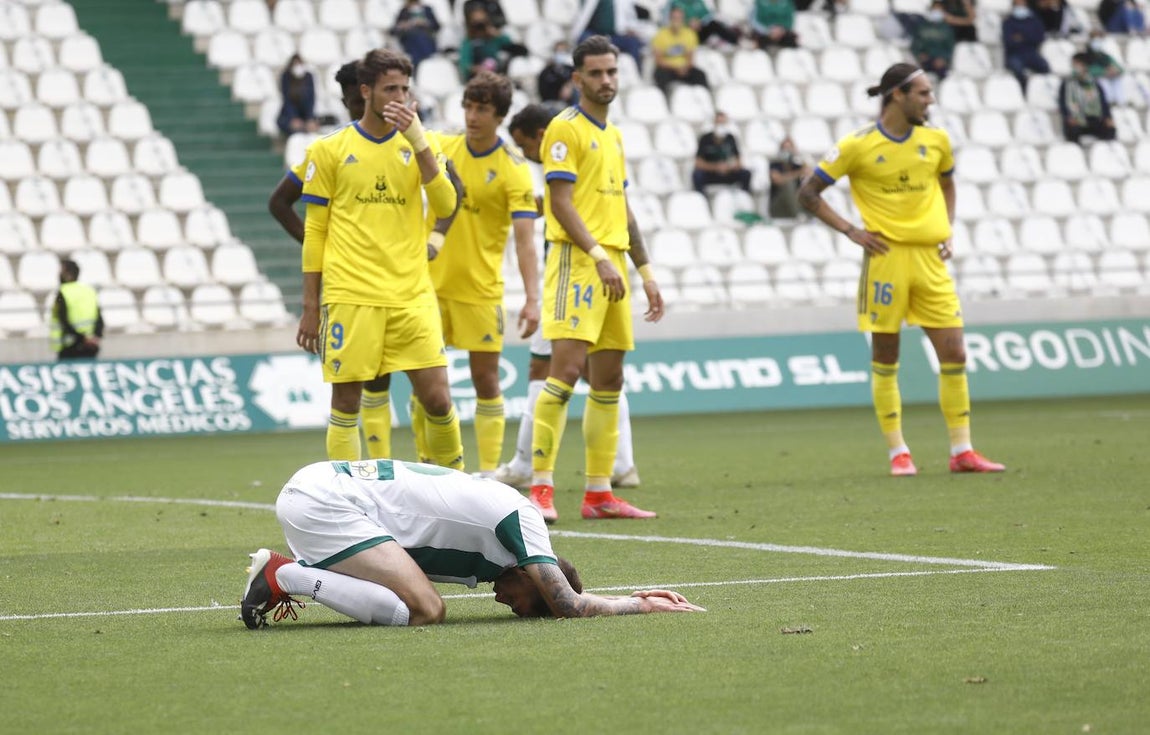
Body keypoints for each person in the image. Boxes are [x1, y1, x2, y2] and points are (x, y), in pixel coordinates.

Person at [797, 62, 1005, 477]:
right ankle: (899, 452)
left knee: (955, 352)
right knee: (886, 355)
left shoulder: (937, 139)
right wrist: (851, 231)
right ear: (898, 95)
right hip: (886, 260)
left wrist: (946, 226)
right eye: (923, 93)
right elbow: (809, 193)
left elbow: (947, 183)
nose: (931, 100)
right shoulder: (857, 145)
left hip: (931, 261)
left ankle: (962, 450)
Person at [239, 459, 705, 629]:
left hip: (324, 493)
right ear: (532, 575)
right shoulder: (525, 523)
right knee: (428, 610)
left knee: (406, 604)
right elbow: (569, 606)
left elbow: (563, 596)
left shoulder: (503, 559)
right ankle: (285, 573)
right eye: (519, 604)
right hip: (327, 500)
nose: (503, 602)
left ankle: (296, 571)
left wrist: (615, 597)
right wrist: (641, 604)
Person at [297, 48, 464, 468]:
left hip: (411, 295)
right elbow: (315, 232)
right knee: (346, 403)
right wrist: (310, 306)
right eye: (390, 89)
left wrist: (419, 142)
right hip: (352, 295)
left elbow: (446, 205)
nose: (400, 98)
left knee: (438, 399)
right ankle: (348, 497)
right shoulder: (330, 149)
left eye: (405, 89)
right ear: (366, 91)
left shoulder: (422, 143)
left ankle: (457, 489)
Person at [530, 36, 665, 522]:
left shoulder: (614, 136)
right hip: (578, 262)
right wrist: (598, 255)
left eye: (612, 72)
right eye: (596, 73)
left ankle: (599, 494)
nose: (606, 80)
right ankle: (540, 489)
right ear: (577, 78)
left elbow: (623, 209)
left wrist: (645, 272)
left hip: (614, 264)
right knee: (565, 372)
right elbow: (560, 203)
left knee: (610, 379)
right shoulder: (564, 130)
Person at [497, 103, 642, 492]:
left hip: (573, 275)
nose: (527, 154)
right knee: (601, 375)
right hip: (588, 270)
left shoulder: (566, 159)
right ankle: (622, 465)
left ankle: (529, 468)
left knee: (550, 371)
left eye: (525, 145)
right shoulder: (575, 165)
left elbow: (568, 207)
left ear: (540, 136)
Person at [269, 61, 400, 459]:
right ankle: (369, 472)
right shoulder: (332, 151)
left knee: (415, 386)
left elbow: (450, 189)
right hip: (351, 284)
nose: (358, 108)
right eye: (351, 102)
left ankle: (396, 466)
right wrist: (322, 249)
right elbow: (279, 202)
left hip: (400, 278)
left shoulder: (406, 142)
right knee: (360, 384)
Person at [426, 71, 540, 477]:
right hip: (428, 286)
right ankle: (427, 465)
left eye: (482, 110)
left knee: (486, 380)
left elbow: (525, 241)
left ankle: (489, 474)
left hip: (480, 290)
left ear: (500, 116)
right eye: (468, 107)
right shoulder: (443, 148)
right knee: (426, 382)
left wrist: (532, 298)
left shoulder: (513, 168)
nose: (472, 116)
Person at [570, 0, 648, 72]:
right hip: (593, 34)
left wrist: (631, 28)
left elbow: (630, 18)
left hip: (614, 36)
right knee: (585, 42)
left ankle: (636, 77)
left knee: (633, 42)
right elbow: (579, 16)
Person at [651, 6, 710, 98]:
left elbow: (690, 58)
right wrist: (675, 68)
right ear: (670, 19)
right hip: (667, 68)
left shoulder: (689, 34)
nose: (677, 21)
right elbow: (659, 60)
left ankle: (705, 99)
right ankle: (663, 101)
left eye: (679, 18)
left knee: (700, 75)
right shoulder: (660, 35)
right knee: (660, 75)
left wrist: (684, 67)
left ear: (683, 20)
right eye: (674, 18)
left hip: (684, 68)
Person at [50, 258, 103, 361]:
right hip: (90, 347)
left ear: (68, 274)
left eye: (61, 271)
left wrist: (82, 339)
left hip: (69, 347)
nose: (59, 274)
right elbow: (99, 319)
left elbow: (63, 320)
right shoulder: (89, 290)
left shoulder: (63, 292)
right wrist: (96, 336)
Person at [1059, 53, 1117, 144]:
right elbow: (1063, 103)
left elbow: (1103, 102)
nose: (1074, 67)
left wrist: (1108, 117)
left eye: (1077, 64)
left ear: (1085, 66)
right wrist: (1068, 117)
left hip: (1093, 119)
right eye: (1073, 64)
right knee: (1072, 129)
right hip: (1076, 119)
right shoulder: (1067, 84)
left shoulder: (1094, 84)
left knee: (1110, 128)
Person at [692, 111, 752, 195]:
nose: (721, 126)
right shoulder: (705, 139)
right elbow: (698, 163)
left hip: (728, 172)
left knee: (746, 173)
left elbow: (739, 162)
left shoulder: (731, 138)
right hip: (711, 173)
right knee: (697, 175)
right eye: (718, 123)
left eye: (723, 123)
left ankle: (744, 197)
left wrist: (728, 167)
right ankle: (702, 199)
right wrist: (716, 167)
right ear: (714, 123)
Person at [458, 6, 523, 81]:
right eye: (477, 24)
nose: (480, 28)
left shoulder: (495, 39)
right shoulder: (468, 43)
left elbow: (513, 47)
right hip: (479, 79)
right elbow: (465, 65)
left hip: (497, 75)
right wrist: (479, 69)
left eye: (482, 23)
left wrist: (497, 34)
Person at [1002, 0, 1050, 93]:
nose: (1020, 7)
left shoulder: (1034, 20)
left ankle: (1041, 91)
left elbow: (1039, 38)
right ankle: (1024, 92)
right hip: (1014, 54)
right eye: (1017, 4)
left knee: (1045, 67)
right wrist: (1028, 36)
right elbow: (1009, 41)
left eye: (1022, 4)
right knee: (1017, 69)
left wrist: (1021, 37)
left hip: (1031, 53)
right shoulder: (1008, 22)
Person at [768, 136, 811, 220]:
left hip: (796, 202)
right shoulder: (775, 164)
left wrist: (801, 158)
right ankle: (798, 215)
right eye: (785, 148)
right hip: (779, 207)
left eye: (789, 148)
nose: (787, 151)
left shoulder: (797, 166)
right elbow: (777, 180)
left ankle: (811, 215)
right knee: (788, 184)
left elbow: (810, 174)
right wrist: (798, 173)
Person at [911, 1, 956, 80]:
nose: (936, 12)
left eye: (939, 10)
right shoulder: (923, 27)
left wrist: (943, 59)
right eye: (934, 9)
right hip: (925, 61)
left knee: (943, 75)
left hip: (940, 62)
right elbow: (915, 45)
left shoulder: (947, 29)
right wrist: (919, 55)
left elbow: (950, 48)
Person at [664, 0, 741, 47]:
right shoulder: (674, 3)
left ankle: (736, 40)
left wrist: (699, 22)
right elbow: (666, 21)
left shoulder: (698, 1)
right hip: (682, 35)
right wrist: (687, 24)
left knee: (714, 24)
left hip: (698, 32)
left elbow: (708, 15)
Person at [276, 53, 318, 136]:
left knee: (313, 126)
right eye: (295, 64)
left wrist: (310, 118)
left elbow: (311, 98)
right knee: (290, 126)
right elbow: (286, 100)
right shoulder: (286, 77)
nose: (297, 66)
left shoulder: (308, 77)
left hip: (306, 114)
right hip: (289, 115)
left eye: (299, 63)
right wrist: (293, 117)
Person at [1083, 30, 1128, 106]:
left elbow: (1120, 68)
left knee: (1119, 80)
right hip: (1096, 79)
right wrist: (1103, 72)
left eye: (1099, 39)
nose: (1097, 42)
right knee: (1103, 82)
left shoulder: (1105, 56)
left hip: (1109, 77)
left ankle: (1121, 104)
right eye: (1095, 39)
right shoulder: (1086, 55)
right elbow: (1087, 69)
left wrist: (1116, 71)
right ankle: (1108, 103)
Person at [391, 0, 440, 70]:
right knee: (416, 38)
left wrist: (426, 23)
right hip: (410, 38)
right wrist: (405, 25)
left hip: (426, 37)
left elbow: (437, 26)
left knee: (421, 38)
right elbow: (393, 31)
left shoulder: (427, 9)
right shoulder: (404, 11)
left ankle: (419, 64)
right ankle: (424, 61)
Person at [537, 41, 578, 112]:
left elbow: (578, 80)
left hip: (569, 103)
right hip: (551, 103)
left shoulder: (569, 69)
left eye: (563, 52)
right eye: (559, 51)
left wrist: (569, 85)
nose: (561, 54)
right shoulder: (546, 72)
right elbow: (543, 92)